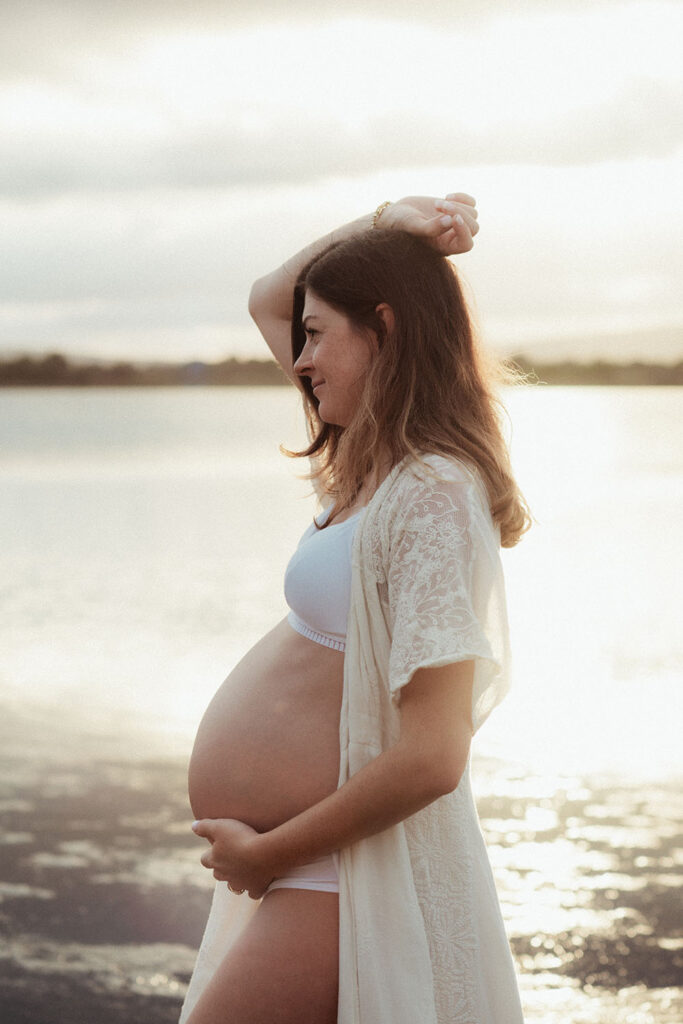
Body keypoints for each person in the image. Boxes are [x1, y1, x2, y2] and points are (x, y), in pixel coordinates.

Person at [180, 194, 531, 1024]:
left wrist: (269, 852)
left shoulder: (433, 494)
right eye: (301, 338)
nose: (298, 358)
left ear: (384, 327)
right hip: (314, 864)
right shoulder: (364, 452)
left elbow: (432, 757)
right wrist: (385, 226)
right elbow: (270, 292)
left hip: (342, 867)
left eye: (317, 335)